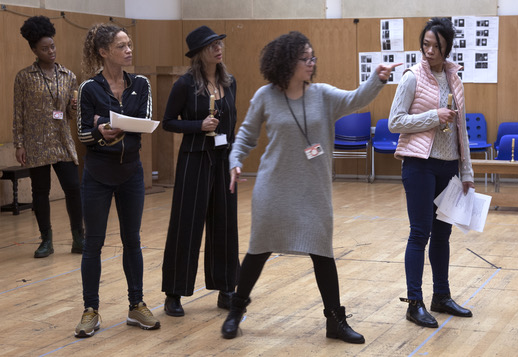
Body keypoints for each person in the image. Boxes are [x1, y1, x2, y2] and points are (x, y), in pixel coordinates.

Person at [220, 31, 399, 343]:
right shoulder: (265, 96)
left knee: (322, 252)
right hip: (273, 188)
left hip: (313, 191)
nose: (311, 63)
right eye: (305, 58)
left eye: (312, 57)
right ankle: (236, 309)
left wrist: (377, 80)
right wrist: (235, 160)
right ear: (286, 62)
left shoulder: (323, 95)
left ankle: (335, 321)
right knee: (258, 251)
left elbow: (356, 98)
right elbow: (246, 136)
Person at [74, 23, 160, 338]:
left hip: (131, 174)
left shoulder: (141, 84)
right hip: (97, 174)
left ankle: (136, 305)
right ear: (104, 51)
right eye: (122, 46)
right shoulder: (89, 88)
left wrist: (109, 123)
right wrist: (98, 129)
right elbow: (83, 134)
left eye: (129, 44)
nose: (129, 50)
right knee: (93, 244)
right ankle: (90, 310)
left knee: (132, 241)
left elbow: (145, 122)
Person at [388, 17, 474, 329]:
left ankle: (442, 296)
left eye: (435, 46)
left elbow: (460, 129)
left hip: (449, 165)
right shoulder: (411, 77)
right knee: (420, 232)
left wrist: (467, 172)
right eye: (425, 44)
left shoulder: (455, 79)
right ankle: (414, 302)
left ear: (447, 47)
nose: (428, 51)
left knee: (443, 234)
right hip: (419, 164)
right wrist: (431, 116)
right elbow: (394, 122)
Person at [161, 25, 239, 317]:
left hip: (223, 159)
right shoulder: (184, 84)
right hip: (194, 159)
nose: (218, 49)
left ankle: (226, 288)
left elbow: (232, 123)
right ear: (198, 54)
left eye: (219, 43)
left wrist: (235, 158)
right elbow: (168, 122)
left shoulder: (229, 82)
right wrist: (198, 126)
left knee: (225, 225)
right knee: (186, 225)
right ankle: (174, 293)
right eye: (211, 46)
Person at [13, 15, 83, 258]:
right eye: (44, 48)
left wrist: (74, 105)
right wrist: (19, 144)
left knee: (74, 188)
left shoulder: (68, 76)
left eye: (52, 46)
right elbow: (18, 114)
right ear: (34, 50)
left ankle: (78, 237)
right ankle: (46, 240)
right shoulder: (24, 77)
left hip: (62, 141)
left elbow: (71, 115)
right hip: (36, 143)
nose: (51, 51)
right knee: (39, 192)